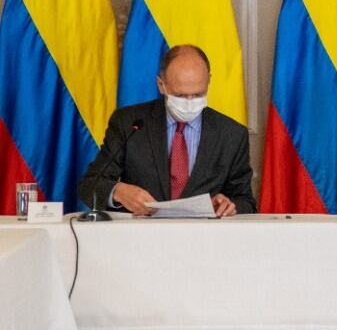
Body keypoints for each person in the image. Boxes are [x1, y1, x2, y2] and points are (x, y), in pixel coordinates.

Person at [78, 45, 256, 217]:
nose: (189, 102)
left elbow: (246, 202)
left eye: (198, 94)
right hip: (140, 239)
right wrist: (118, 191)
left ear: (208, 82)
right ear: (161, 85)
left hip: (203, 241)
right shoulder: (129, 123)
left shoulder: (232, 134)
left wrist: (230, 206)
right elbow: (90, 185)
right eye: (180, 95)